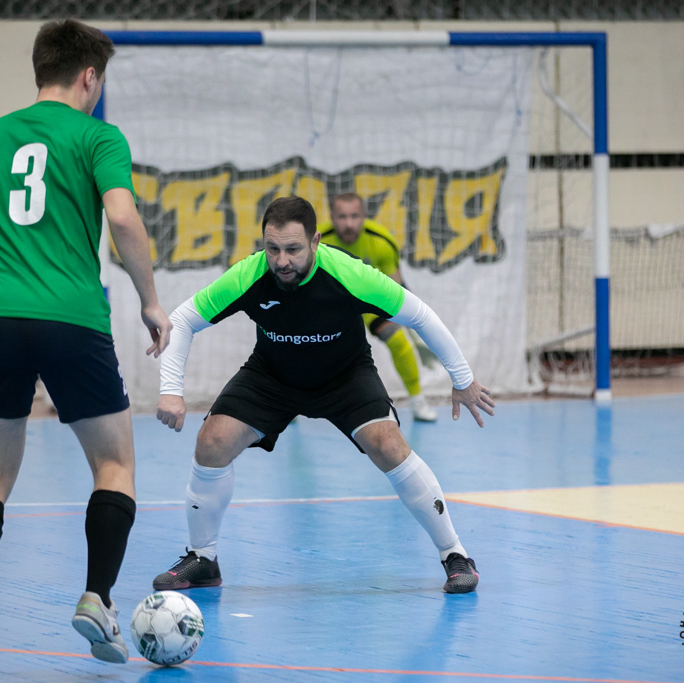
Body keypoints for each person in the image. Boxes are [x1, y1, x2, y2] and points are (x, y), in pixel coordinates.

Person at [0, 20, 171, 663]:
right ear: (89, 76)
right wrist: (149, 300)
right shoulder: (97, 136)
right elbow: (122, 217)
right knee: (114, 466)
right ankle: (96, 599)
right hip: (71, 320)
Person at [152, 196, 494, 595]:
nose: (281, 261)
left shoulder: (350, 274)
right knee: (211, 441)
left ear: (315, 241)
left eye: (293, 249)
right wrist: (170, 390)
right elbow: (182, 320)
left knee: (389, 445)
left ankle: (455, 555)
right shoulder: (249, 274)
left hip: (345, 375)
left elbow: (419, 314)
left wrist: (462, 378)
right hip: (272, 375)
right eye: (272, 248)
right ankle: (203, 558)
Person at [318, 193, 439, 422]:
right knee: (302, 346)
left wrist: (416, 333)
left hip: (369, 302)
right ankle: (290, 405)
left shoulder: (382, 241)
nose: (349, 223)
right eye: (342, 217)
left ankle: (417, 400)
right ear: (332, 217)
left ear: (364, 216)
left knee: (398, 340)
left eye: (355, 216)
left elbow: (398, 289)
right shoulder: (316, 243)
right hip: (332, 305)